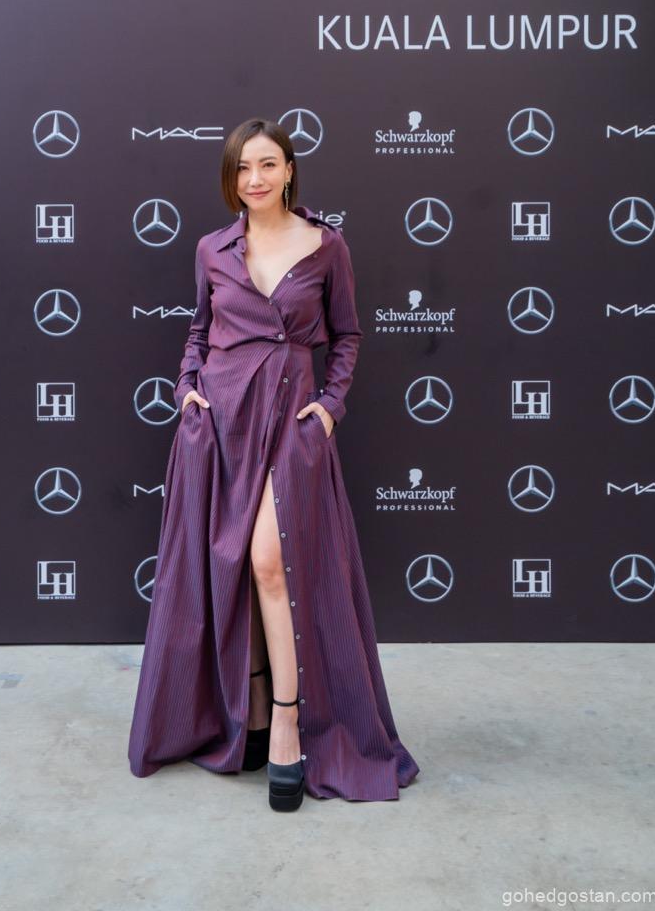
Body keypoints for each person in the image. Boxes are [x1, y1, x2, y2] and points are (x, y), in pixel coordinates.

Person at [128, 118, 420, 810]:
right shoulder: (212, 248)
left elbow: (347, 334)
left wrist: (329, 407)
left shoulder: (325, 245)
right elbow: (199, 329)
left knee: (268, 560)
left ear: (289, 170)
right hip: (219, 419)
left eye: (266, 164)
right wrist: (186, 388)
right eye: (241, 168)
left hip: (290, 415)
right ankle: (253, 713)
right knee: (227, 572)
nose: (253, 178)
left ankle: (288, 721)